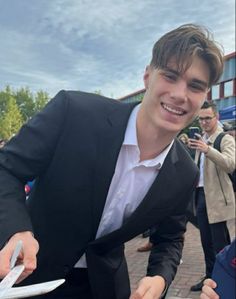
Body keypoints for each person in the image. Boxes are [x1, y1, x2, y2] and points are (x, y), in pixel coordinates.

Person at [0, 24, 224, 299]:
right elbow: (7, 169)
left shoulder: (184, 173)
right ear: (147, 76)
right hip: (24, 276)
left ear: (204, 97)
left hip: (102, 286)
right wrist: (16, 230)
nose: (180, 94)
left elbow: (171, 238)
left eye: (195, 85)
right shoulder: (73, 111)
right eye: (170, 75)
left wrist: (160, 278)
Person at [189, 101, 235, 292]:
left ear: (216, 117)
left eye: (208, 118)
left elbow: (230, 164)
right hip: (201, 195)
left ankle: (223, 280)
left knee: (220, 244)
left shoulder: (224, 139)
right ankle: (209, 277)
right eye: (201, 118)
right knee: (205, 241)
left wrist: (208, 150)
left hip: (216, 198)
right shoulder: (202, 137)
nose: (204, 122)